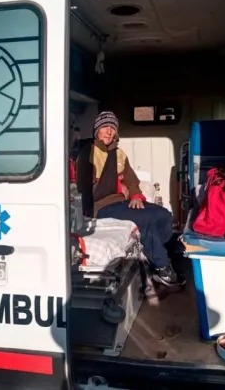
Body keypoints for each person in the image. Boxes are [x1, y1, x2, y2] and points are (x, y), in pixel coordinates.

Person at [76, 111, 179, 286]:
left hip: (120, 202)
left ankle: (151, 251)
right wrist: (117, 186)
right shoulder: (89, 153)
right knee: (144, 219)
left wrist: (136, 195)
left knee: (163, 214)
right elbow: (86, 186)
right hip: (99, 207)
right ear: (97, 131)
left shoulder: (119, 154)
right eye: (104, 127)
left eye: (112, 128)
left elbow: (131, 179)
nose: (109, 131)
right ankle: (163, 268)